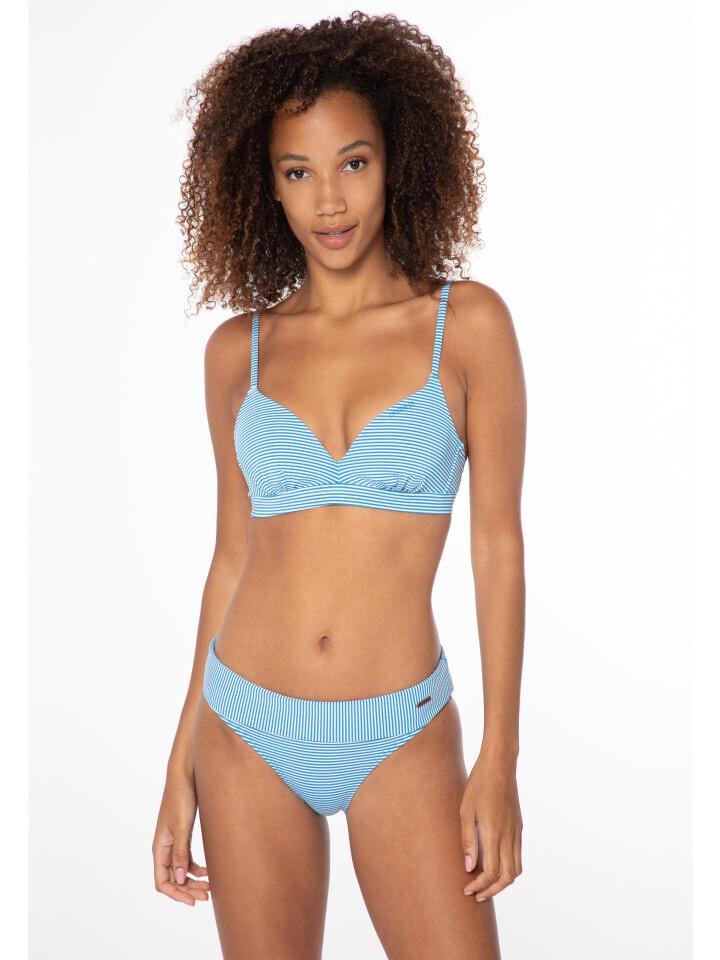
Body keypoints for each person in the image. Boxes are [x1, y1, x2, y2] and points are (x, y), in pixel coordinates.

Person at [152, 12, 526, 959]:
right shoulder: (238, 352)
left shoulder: (466, 327)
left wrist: (500, 758)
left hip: (402, 728)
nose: (329, 200)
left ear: (398, 159)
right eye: (297, 171)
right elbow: (231, 557)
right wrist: (180, 760)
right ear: (264, 184)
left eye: (353, 162)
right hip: (245, 723)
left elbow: (498, 546)